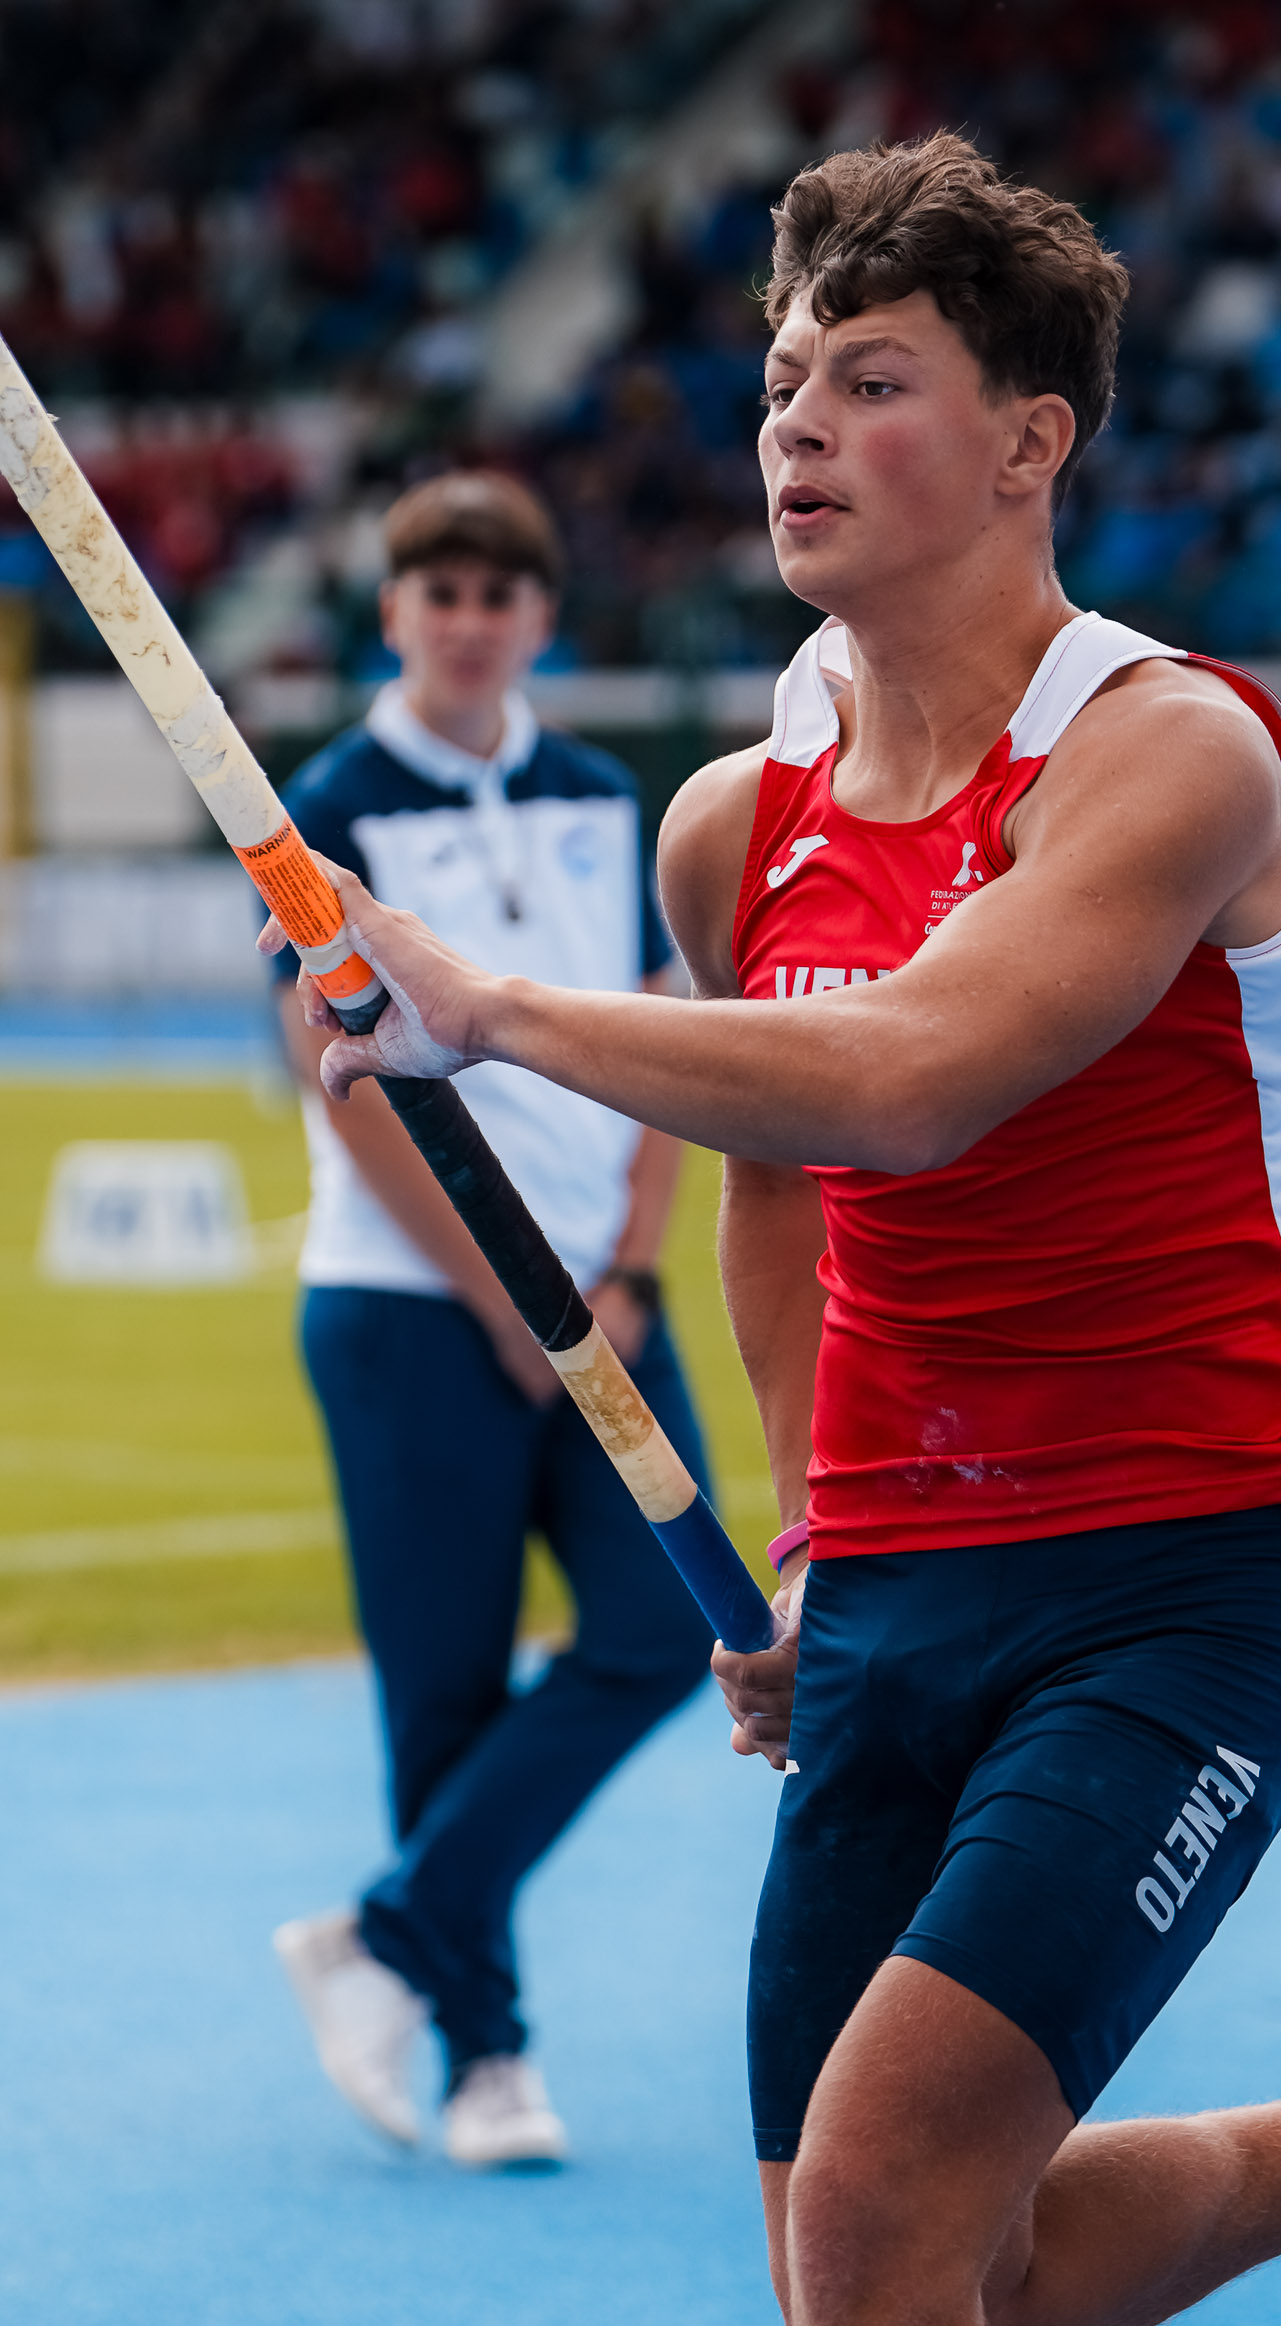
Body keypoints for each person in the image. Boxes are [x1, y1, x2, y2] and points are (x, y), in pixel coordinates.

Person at [271, 138, 1281, 2326]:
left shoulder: (1172, 751)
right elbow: (781, 1188)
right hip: (899, 1589)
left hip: (1181, 1575)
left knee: (879, 2223)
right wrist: (812, 1530)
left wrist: (492, 1008)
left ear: (1032, 438)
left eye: (870, 380)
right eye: (781, 383)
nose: (794, 427)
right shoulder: (731, 823)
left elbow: (911, 1078)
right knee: (917, 2285)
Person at [268, 471, 716, 2171]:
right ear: (394, 615)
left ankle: (387, 1931)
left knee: (665, 1628)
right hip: (412, 1313)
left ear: (541, 619)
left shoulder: (604, 794)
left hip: (601, 1301)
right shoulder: (329, 809)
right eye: (438, 594)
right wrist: (495, 1296)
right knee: (442, 1686)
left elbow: (662, 1040)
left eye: (498, 595)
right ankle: (488, 2056)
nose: (468, 623)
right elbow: (341, 1086)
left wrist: (632, 1269)